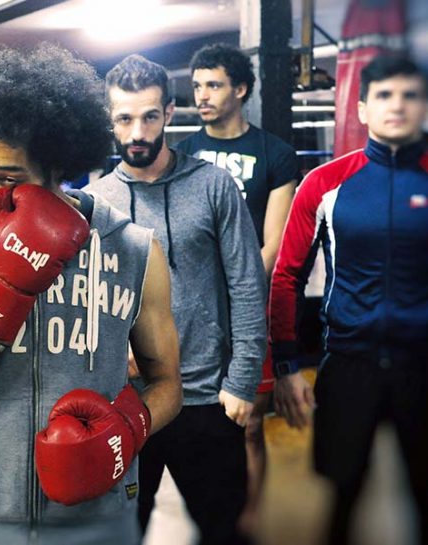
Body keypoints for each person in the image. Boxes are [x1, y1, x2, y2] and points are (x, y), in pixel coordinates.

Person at [0, 44, 182, 544]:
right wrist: (5, 288)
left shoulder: (133, 250)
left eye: (8, 178)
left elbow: (168, 382)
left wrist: (128, 427)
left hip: (97, 514)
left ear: (58, 164)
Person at [270, 54, 428, 545]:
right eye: (384, 95)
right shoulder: (324, 184)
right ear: (361, 108)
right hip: (348, 365)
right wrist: (288, 366)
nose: (396, 105)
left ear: (423, 106)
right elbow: (287, 275)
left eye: (409, 95)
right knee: (343, 495)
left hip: (424, 366)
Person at [86, 54, 266, 545]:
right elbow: (87, 303)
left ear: (169, 113)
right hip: (127, 402)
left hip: (208, 396)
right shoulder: (94, 201)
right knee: (121, 533)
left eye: (149, 116)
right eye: (124, 118)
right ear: (111, 122)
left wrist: (243, 382)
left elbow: (247, 284)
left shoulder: (212, 185)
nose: (137, 131)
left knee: (223, 531)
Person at [176, 42, 299, 535]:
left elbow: (271, 245)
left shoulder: (274, 154)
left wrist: (237, 297)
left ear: (241, 89)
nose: (202, 96)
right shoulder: (183, 153)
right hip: (191, 312)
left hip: (246, 307)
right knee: (195, 421)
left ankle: (246, 522)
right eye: (197, 86)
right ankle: (211, 515)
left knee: (248, 423)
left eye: (214, 85)